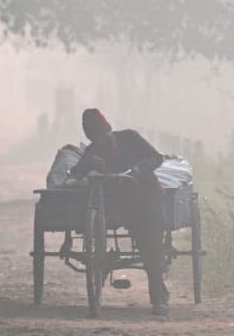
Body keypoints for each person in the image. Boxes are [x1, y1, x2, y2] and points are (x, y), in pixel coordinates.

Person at [69, 108, 171, 315]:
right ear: (90, 138)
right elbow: (76, 172)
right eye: (95, 138)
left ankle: (157, 297)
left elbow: (156, 158)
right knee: (130, 232)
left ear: (109, 130)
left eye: (102, 135)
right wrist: (89, 165)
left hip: (145, 198)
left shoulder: (130, 138)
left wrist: (138, 170)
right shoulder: (91, 152)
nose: (100, 141)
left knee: (148, 243)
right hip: (117, 205)